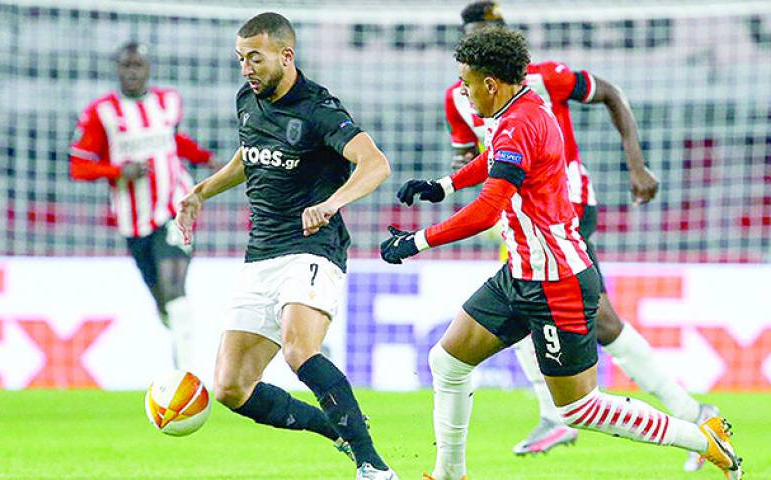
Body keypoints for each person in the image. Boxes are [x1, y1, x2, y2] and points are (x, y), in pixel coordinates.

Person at [381, 26, 742, 480]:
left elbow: (488, 210)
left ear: (490, 83)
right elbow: (493, 158)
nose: (464, 93)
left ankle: (703, 438)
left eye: (467, 83)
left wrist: (416, 241)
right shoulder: (524, 108)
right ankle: (449, 474)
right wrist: (444, 185)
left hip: (556, 283)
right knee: (448, 361)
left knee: (578, 409)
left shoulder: (518, 123)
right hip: (520, 273)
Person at [175, 12, 398, 480]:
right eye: (241, 59)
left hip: (312, 248)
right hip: (261, 254)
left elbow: (375, 164)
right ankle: (339, 429)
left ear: (286, 56)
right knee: (231, 387)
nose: (246, 69)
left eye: (255, 58)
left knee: (299, 349)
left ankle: (374, 467)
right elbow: (250, 154)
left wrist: (332, 203)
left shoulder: (319, 108)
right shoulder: (247, 100)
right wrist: (201, 192)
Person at [69, 42, 213, 370]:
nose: (132, 72)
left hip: (174, 207)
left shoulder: (168, 101)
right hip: (133, 221)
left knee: (175, 290)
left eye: (138, 65)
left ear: (148, 69)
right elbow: (78, 167)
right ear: (117, 69)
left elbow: (173, 140)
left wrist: (205, 159)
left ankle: (187, 377)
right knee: (164, 301)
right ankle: (178, 338)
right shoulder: (101, 113)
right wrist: (118, 171)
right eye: (126, 65)